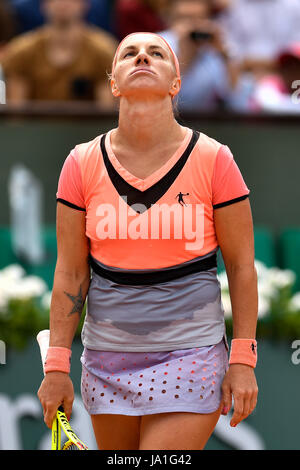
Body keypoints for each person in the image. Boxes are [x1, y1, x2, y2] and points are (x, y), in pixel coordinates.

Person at [37, 31, 258, 450]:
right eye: (130, 54)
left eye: (156, 53)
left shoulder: (214, 159)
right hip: (105, 360)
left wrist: (243, 359)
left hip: (192, 355)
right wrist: (56, 367)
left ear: (176, 83)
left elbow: (242, 266)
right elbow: (69, 272)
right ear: (114, 84)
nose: (143, 57)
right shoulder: (80, 163)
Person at [1, 0, 117, 105]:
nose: (63, 3)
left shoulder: (104, 51)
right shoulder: (21, 52)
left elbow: (105, 113)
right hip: (35, 127)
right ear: (43, 4)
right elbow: (16, 116)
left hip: (87, 128)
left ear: (84, 4)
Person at [158, 0, 234, 112]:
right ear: (171, 19)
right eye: (184, 19)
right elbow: (158, 96)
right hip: (167, 119)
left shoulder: (213, 48)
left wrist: (224, 55)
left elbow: (234, 99)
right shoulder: (158, 44)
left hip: (206, 121)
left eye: (198, 19)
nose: (191, 26)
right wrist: (184, 57)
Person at [251, 43, 300, 114]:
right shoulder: (270, 83)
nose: (289, 70)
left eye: (296, 66)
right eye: (286, 65)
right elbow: (268, 103)